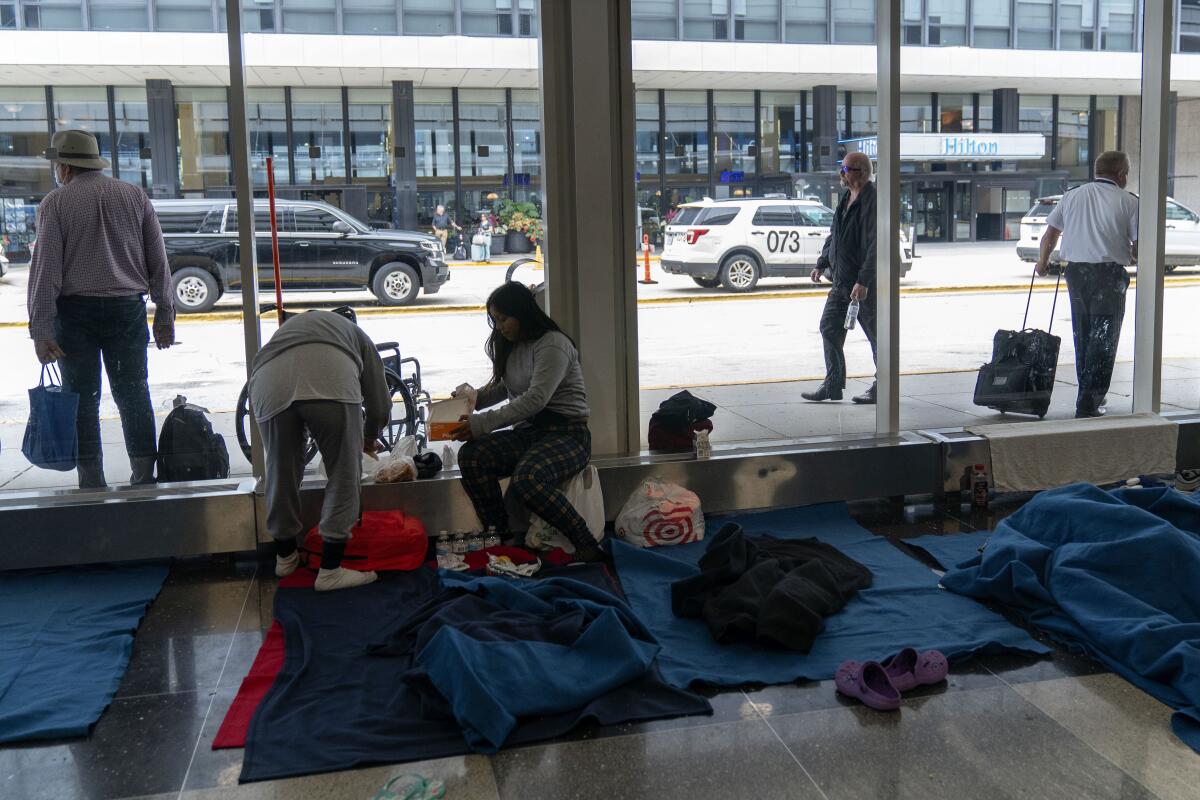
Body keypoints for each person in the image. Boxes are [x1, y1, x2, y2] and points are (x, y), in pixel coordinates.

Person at [27, 129, 175, 489]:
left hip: (75, 316)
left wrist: (41, 330)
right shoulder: (134, 196)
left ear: (64, 166)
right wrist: (165, 313)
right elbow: (159, 260)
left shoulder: (56, 204)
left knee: (81, 399)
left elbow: (46, 271)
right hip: (127, 311)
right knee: (133, 392)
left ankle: (91, 480)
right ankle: (143, 476)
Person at [450, 282, 601, 560]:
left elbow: (535, 399)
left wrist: (480, 423)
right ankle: (501, 536)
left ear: (522, 314)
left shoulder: (553, 344)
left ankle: (586, 543)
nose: (499, 327)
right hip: (530, 434)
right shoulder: (512, 346)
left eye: (503, 319)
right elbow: (504, 389)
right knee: (472, 456)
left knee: (528, 479)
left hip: (568, 435)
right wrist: (469, 400)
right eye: (495, 320)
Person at [249, 309, 391, 591]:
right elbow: (380, 404)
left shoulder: (289, 331)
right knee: (344, 471)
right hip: (331, 381)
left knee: (281, 470)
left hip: (267, 383)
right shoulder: (357, 335)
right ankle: (331, 570)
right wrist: (369, 437)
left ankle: (285, 556)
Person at [1036, 151, 1138, 418]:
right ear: (1122, 175)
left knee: (1083, 335)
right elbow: (1140, 246)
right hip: (1108, 276)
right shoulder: (1128, 201)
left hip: (1077, 274)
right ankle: (1090, 403)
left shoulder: (1072, 195)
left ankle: (1087, 396)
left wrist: (1042, 263)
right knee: (1104, 339)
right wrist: (1132, 252)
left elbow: (1051, 233)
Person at [802, 150, 878, 405]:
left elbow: (875, 244)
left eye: (845, 169)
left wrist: (864, 280)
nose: (841, 174)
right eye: (842, 169)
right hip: (840, 281)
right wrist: (822, 263)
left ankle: (883, 385)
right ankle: (833, 383)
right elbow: (834, 234)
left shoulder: (872, 200)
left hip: (862, 284)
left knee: (877, 336)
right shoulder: (846, 197)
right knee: (828, 327)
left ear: (861, 173)